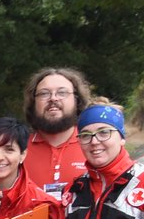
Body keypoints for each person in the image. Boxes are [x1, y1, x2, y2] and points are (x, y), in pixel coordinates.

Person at [20, 67, 93, 197]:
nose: (53, 98)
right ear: (33, 102)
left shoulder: (94, 144)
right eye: (44, 93)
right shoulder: (17, 148)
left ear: (77, 100)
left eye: (62, 92)